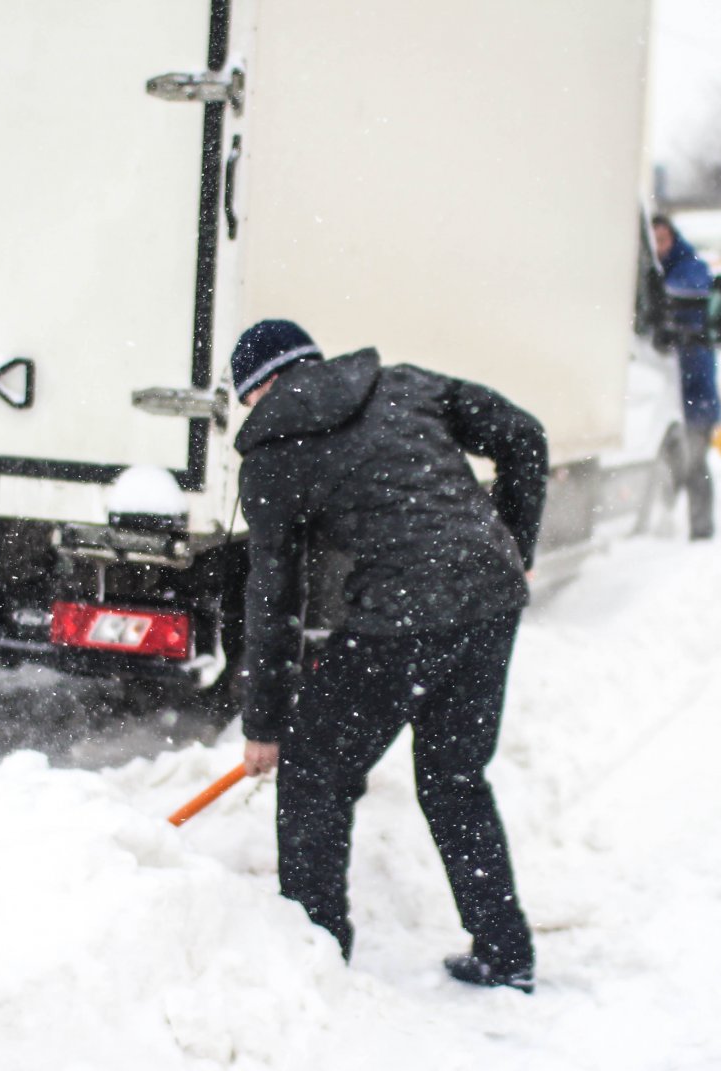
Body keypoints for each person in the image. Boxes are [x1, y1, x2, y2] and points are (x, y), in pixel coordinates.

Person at [228, 318, 548, 992]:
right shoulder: (403, 385)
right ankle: (504, 949)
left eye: (248, 398)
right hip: (489, 602)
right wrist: (514, 545)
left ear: (264, 386)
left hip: (398, 619)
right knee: (454, 777)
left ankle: (315, 956)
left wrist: (264, 725)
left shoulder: (272, 453)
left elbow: (274, 598)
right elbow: (525, 434)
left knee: (314, 775)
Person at [652, 214, 720, 540]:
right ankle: (658, 528)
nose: (658, 248)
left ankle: (701, 531)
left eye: (662, 240)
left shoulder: (689, 268)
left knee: (694, 464)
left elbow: (689, 288)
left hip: (695, 392)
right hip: (666, 393)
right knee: (672, 465)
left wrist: (658, 293)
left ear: (673, 239)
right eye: (653, 242)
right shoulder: (655, 271)